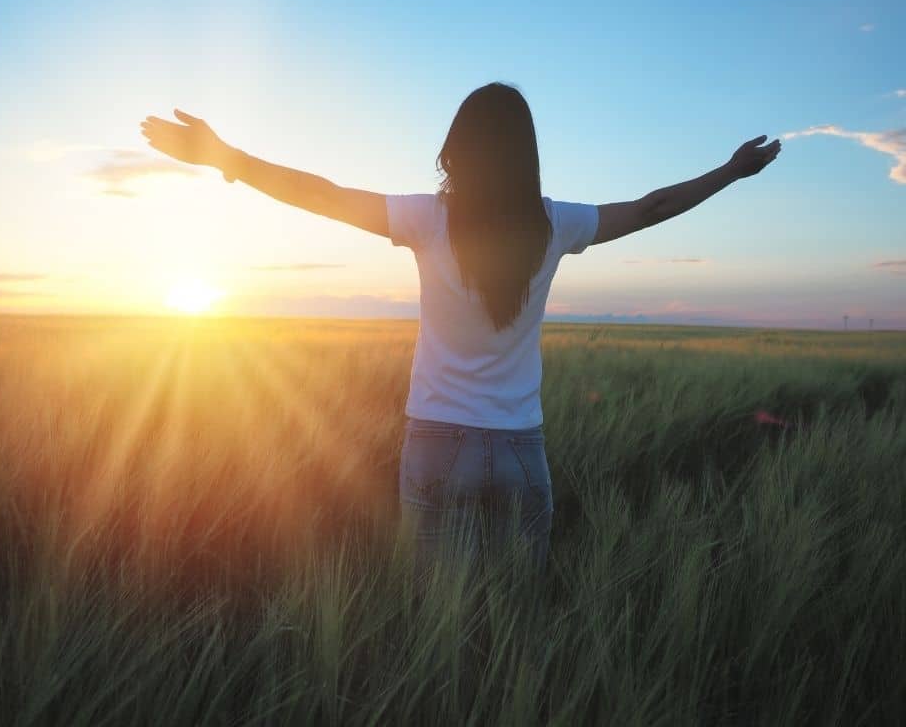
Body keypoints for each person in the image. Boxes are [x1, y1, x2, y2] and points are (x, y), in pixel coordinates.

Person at [140, 82, 781, 574]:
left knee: (435, 616)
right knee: (518, 617)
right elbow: (651, 209)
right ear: (525, 154)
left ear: (457, 147)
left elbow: (322, 194)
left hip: (436, 444)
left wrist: (224, 157)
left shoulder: (426, 219)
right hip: (520, 450)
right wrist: (730, 171)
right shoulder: (557, 223)